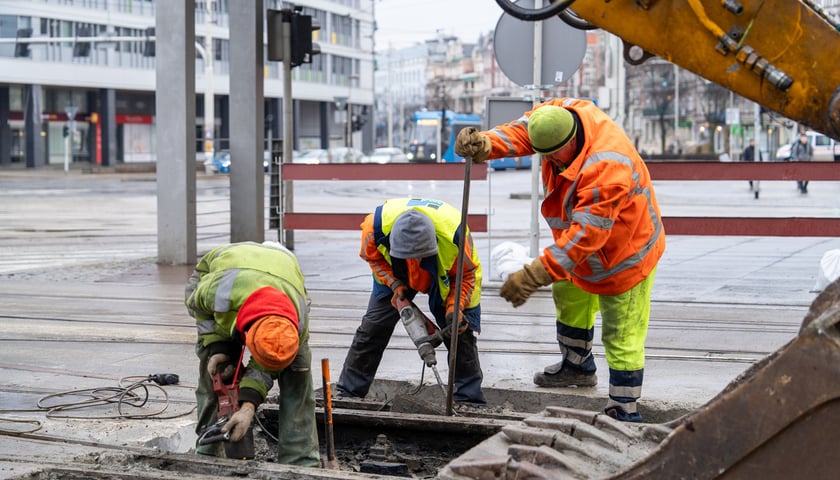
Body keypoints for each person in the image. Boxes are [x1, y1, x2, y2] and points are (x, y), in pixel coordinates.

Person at [454, 98, 666, 422]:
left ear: (571, 142)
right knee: (568, 297)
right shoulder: (560, 113)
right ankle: (576, 366)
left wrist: (532, 275)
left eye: (553, 153)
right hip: (579, 254)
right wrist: (486, 143)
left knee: (621, 334)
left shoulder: (607, 167)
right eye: (544, 153)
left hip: (625, 257)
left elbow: (586, 238)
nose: (549, 160)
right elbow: (524, 131)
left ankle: (624, 410)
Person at [336, 198, 486, 406]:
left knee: (459, 333)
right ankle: (348, 392)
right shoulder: (375, 229)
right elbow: (373, 258)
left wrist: (455, 307)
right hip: (395, 269)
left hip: (443, 270)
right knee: (374, 326)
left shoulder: (455, 237)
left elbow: (467, 275)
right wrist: (395, 284)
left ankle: (469, 399)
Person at [184, 241, 319, 466]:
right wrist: (218, 346)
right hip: (228, 273)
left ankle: (300, 459)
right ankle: (209, 448)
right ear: (247, 333)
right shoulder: (216, 292)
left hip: (282, 272)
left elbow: (269, 361)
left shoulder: (299, 321)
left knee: (298, 375)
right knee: (213, 373)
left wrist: (248, 407)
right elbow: (198, 309)